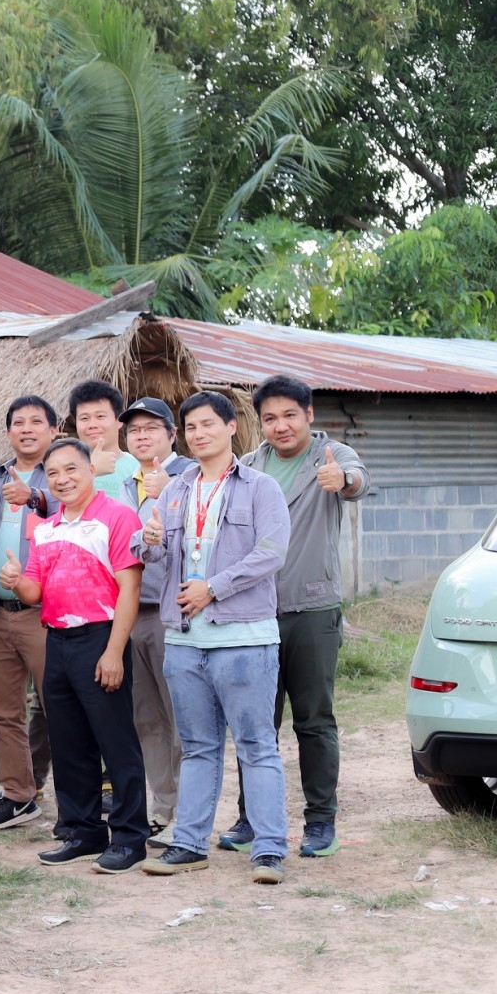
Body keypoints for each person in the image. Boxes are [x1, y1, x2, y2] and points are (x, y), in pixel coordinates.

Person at [138, 392, 292, 884]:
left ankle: (268, 849)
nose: (199, 433)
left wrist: (214, 588)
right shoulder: (175, 490)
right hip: (184, 641)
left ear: (231, 428)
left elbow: (271, 553)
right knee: (200, 746)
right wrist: (152, 541)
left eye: (209, 424)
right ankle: (189, 843)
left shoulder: (260, 487)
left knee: (257, 745)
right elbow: (150, 556)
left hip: (244, 637)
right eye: (191, 426)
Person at [235, 374, 369, 857]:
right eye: (269, 418)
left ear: (309, 415)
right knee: (256, 722)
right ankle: (251, 817)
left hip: (312, 609)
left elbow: (357, 480)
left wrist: (343, 481)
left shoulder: (331, 456)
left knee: (313, 720)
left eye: (290, 414)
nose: (280, 425)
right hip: (254, 613)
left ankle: (320, 821)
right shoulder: (248, 467)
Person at [0, 437, 147, 873]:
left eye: (71, 470)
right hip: (57, 641)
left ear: (90, 470)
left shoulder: (117, 517)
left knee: (116, 742)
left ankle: (129, 837)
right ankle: (82, 831)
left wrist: (115, 651)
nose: (62, 479)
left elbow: (130, 589)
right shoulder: (46, 527)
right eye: (55, 473)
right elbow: (34, 591)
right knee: (68, 744)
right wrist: (14, 580)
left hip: (101, 638)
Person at [0, 395, 59, 832]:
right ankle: (19, 796)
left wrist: (37, 497)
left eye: (36, 422)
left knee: (60, 706)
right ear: (7, 433)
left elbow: (79, 512)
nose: (26, 428)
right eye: (18, 423)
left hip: (43, 612)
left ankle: (80, 800)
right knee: (4, 712)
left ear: (54, 430)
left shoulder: (62, 474)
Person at [122, 395, 195, 847]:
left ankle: (190, 813)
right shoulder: (123, 482)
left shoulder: (189, 475)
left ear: (172, 434)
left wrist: (167, 490)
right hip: (130, 612)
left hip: (174, 615)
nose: (142, 435)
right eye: (134, 430)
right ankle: (164, 807)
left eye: (152, 427)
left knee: (181, 718)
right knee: (147, 719)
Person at [68, 379, 141, 508]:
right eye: (84, 418)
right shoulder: (65, 468)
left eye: (100, 416)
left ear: (118, 420)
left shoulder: (136, 468)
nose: (92, 425)